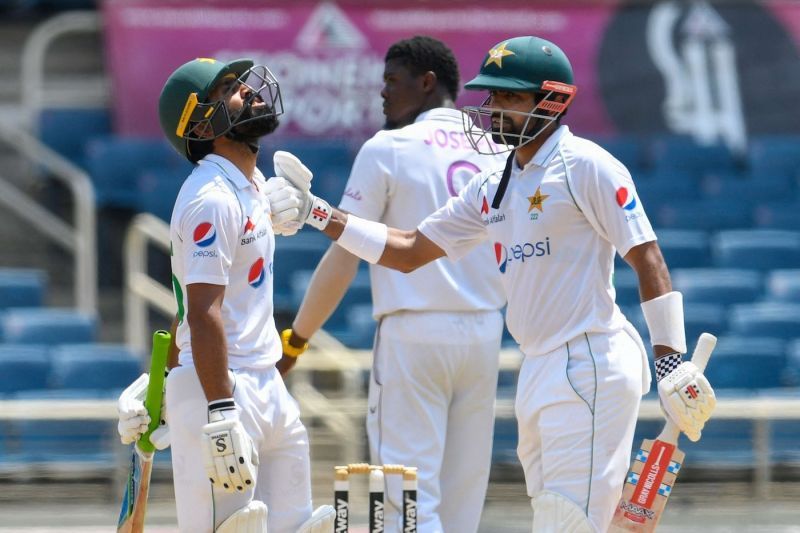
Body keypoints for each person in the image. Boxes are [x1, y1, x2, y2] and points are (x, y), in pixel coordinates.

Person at [266, 36, 717, 532]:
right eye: (492, 97)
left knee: (569, 523)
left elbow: (646, 255)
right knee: (556, 516)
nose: (495, 110)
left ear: (552, 102)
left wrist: (670, 359)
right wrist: (318, 213)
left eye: (510, 98)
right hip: (539, 364)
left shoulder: (586, 165)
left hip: (592, 359)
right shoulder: (494, 181)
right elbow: (409, 250)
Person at [276, 36, 506, 533]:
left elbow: (345, 256)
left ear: (427, 83)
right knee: (462, 504)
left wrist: (297, 339)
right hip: (486, 332)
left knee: (406, 502)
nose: (382, 94)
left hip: (413, 334)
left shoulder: (388, 148)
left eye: (391, 81)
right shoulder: (496, 149)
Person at [116, 57, 333, 533]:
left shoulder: (252, 185)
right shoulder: (209, 197)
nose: (251, 92)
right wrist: (218, 408)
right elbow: (202, 311)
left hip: (266, 383)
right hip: (223, 390)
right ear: (201, 122)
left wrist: (158, 381)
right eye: (230, 89)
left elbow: (193, 306)